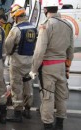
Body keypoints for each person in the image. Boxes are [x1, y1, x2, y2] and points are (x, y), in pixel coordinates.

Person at [29, 0, 74, 129]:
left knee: (47, 97)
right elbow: (70, 50)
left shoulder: (46, 25)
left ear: (45, 10)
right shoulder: (68, 24)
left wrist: (33, 69)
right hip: (61, 66)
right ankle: (60, 124)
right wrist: (67, 67)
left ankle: (48, 125)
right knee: (61, 96)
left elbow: (39, 51)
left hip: (48, 67)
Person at [5, 7, 37, 122]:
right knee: (28, 85)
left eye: (14, 17)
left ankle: (17, 114)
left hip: (17, 63)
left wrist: (8, 54)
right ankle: (27, 110)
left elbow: (8, 46)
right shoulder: (33, 28)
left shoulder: (16, 29)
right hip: (30, 62)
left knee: (16, 87)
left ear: (17, 16)